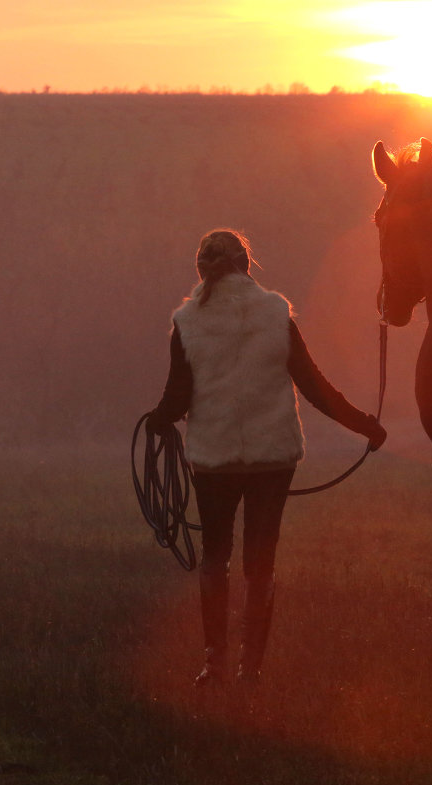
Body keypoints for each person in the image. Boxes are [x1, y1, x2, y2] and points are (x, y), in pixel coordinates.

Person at [147, 228, 386, 687]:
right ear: (247, 265)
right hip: (272, 459)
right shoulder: (277, 314)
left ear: (201, 270)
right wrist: (367, 427)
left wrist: (157, 422)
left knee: (216, 557)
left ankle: (213, 663)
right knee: (262, 562)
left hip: (213, 460)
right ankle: (249, 669)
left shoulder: (187, 322)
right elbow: (314, 387)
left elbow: (176, 400)